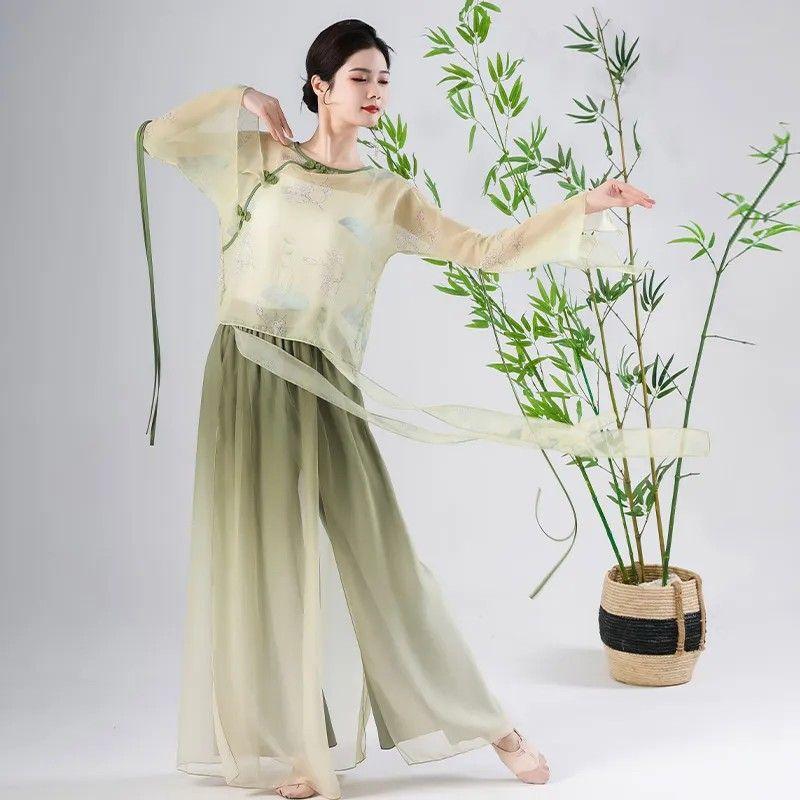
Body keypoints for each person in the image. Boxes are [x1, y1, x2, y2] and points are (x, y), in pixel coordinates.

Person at [136, 18, 655, 800]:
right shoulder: (258, 162)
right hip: (240, 374)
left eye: (383, 79)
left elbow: (486, 251)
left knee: (381, 557)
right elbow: (161, 140)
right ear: (319, 85)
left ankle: (495, 727)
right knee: (261, 563)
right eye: (359, 77)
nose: (375, 91)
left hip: (320, 384)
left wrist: (584, 203)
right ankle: (302, 750)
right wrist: (242, 97)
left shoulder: (388, 197)